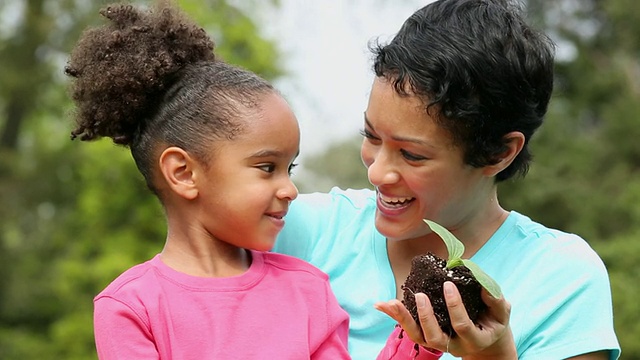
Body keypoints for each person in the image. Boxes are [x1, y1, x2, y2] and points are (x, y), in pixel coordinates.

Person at [65, 2, 445, 360]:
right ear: (183, 173)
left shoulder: (308, 287)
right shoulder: (132, 308)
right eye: (267, 167)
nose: (290, 189)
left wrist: (416, 343)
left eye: (289, 168)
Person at [273, 0, 621, 359]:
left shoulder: (561, 281)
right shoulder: (297, 229)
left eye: (412, 155)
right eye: (372, 136)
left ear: (499, 153)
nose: (377, 172)